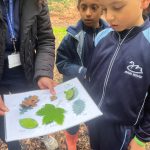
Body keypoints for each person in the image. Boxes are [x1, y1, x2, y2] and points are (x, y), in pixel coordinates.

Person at [86, 0, 150, 149]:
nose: (109, 17)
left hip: (123, 132)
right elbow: (91, 78)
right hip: (94, 122)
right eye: (103, 9)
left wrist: (141, 138)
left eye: (117, 7)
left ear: (144, 2)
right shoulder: (102, 37)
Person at [0, 0, 56, 149]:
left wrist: (43, 73)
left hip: (26, 67)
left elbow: (45, 39)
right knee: (3, 119)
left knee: (33, 106)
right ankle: (14, 144)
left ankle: (42, 132)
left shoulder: (36, 2)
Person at [56, 0, 108, 149]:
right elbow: (61, 63)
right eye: (83, 8)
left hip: (98, 91)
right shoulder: (72, 37)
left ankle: (95, 138)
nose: (88, 13)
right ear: (78, 8)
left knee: (95, 120)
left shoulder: (111, 34)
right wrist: (81, 71)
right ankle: (71, 143)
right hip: (75, 89)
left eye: (94, 7)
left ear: (102, 9)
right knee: (72, 120)